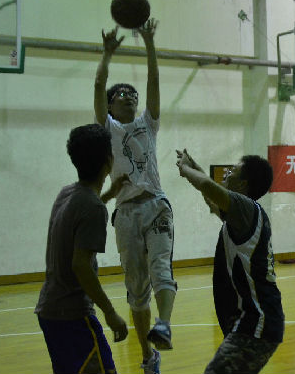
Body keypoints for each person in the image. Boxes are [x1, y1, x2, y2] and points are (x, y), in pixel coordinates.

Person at [94, 20, 175, 374]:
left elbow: (154, 79)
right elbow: (98, 85)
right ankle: (147, 355)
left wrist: (150, 43)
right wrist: (107, 54)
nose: (129, 96)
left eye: (132, 93)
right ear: (110, 107)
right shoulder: (108, 128)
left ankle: (164, 325)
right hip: (125, 212)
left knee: (161, 269)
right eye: (121, 94)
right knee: (137, 290)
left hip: (156, 205)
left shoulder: (148, 123)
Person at [175, 150, 284, 374]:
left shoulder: (246, 208)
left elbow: (208, 186)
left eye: (232, 171)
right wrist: (193, 165)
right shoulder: (242, 214)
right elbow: (211, 196)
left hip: (257, 323)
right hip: (250, 321)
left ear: (243, 184)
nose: (226, 174)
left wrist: (184, 170)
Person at [36, 124, 129, 374]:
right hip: (72, 315)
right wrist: (110, 312)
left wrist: (109, 194)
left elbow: (83, 212)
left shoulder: (67, 193)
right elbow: (80, 265)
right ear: (108, 161)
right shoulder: (93, 208)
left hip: (50, 310)